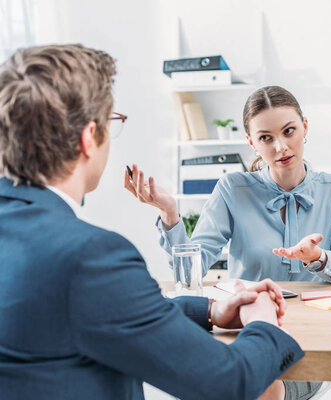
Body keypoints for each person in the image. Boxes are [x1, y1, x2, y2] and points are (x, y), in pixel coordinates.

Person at [0, 44, 304, 400]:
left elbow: (97, 307)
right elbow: (228, 382)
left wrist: (210, 310)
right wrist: (264, 321)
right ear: (88, 139)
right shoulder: (91, 257)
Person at [124, 85, 331, 399]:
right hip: (248, 333)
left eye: (289, 131)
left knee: (258, 389)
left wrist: (318, 257)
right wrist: (170, 213)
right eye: (266, 138)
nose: (281, 147)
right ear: (251, 142)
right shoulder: (233, 188)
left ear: (305, 127)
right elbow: (191, 271)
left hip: (314, 339)